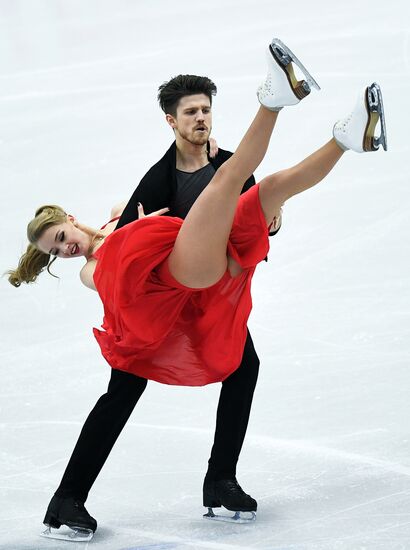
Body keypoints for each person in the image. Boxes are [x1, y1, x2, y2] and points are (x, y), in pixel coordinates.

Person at [9, 38, 387, 538]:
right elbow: (115, 275)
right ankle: (67, 498)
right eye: (190, 112)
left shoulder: (210, 172)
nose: (200, 119)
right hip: (159, 312)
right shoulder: (150, 188)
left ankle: (220, 480)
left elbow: (258, 216)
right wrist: (135, 236)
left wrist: (268, 224)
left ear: (73, 221)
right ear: (172, 121)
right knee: (120, 394)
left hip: (209, 292)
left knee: (244, 359)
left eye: (205, 110)